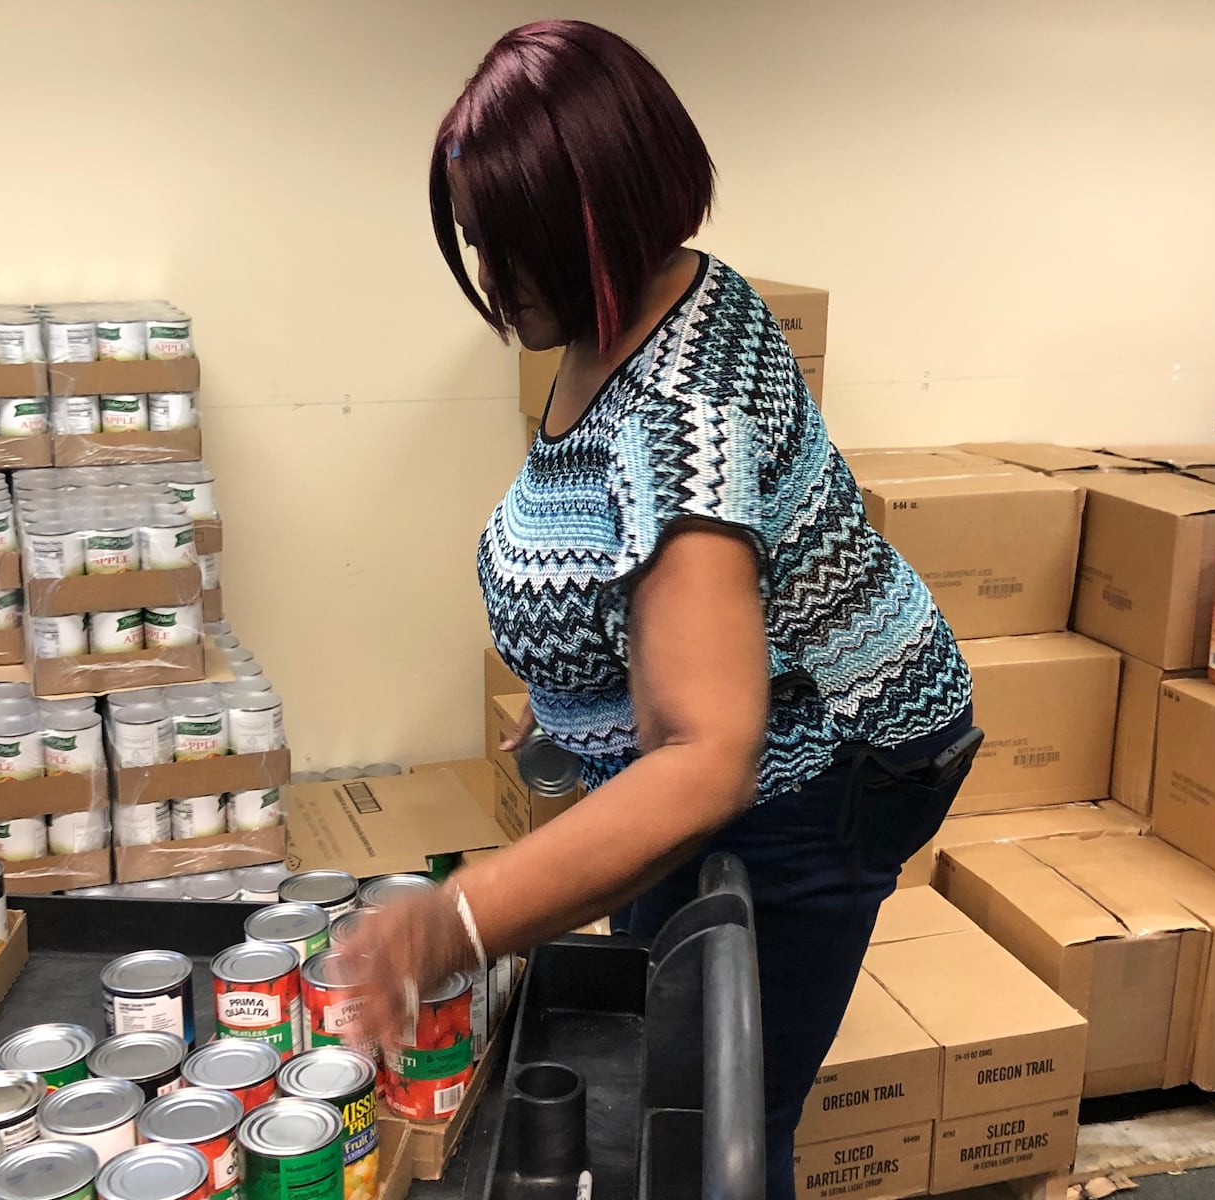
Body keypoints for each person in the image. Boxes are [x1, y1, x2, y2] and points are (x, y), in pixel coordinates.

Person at [340, 20, 977, 1199]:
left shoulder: (688, 416)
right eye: (479, 245)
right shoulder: (622, 312)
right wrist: (573, 715)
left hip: (823, 771)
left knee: (712, 1123)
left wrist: (456, 920)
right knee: (653, 1054)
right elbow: (621, 575)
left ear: (602, 226)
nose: (492, 283)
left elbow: (708, 761)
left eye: (512, 251)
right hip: (735, 745)